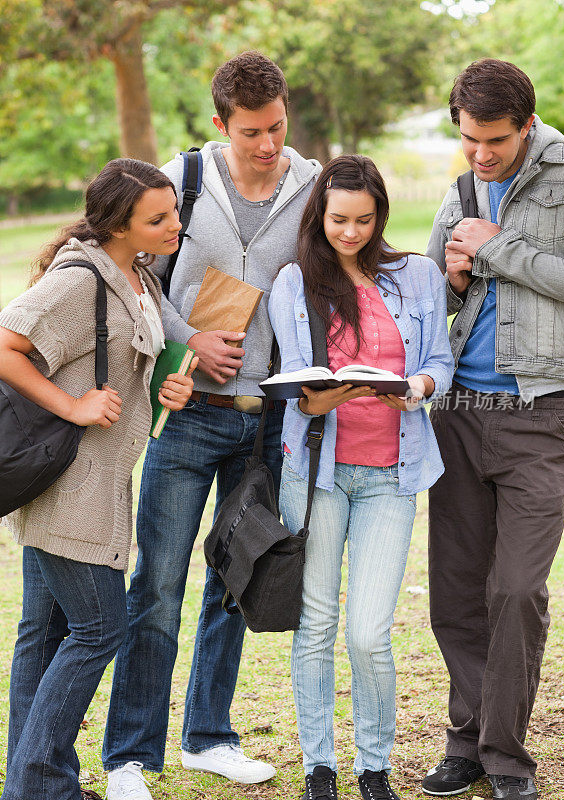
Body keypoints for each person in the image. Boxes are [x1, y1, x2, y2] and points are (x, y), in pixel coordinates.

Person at [102, 51, 321, 799]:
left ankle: (210, 737)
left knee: (236, 579)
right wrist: (188, 338)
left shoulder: (313, 185)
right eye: (252, 131)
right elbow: (136, 273)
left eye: (277, 128)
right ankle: (130, 753)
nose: (268, 145)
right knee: (157, 582)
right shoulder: (184, 181)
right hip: (191, 411)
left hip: (272, 419)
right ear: (219, 122)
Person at [0, 159, 196, 800]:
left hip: (97, 481)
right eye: (157, 218)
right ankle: (36, 781)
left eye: (172, 211)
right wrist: (74, 407)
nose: (173, 225)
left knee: (44, 633)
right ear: (118, 224)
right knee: (99, 628)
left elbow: (129, 361)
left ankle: (33, 781)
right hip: (71, 487)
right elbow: (6, 345)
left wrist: (167, 385)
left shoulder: (135, 274)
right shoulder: (80, 282)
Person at [268, 155, 454, 800]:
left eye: (364, 220)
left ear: (381, 217)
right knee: (315, 625)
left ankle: (374, 766)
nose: (350, 233)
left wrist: (420, 385)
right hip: (318, 471)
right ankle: (319, 764)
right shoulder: (296, 283)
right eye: (338, 220)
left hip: (392, 475)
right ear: (319, 216)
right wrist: (330, 394)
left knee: (369, 631)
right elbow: (298, 388)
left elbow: (439, 360)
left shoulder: (419, 276)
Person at [421, 59, 564, 800]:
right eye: (470, 140)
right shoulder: (461, 185)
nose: (481, 155)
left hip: (542, 415)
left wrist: (495, 249)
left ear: (528, 124)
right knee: (453, 592)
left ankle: (508, 757)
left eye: (496, 142)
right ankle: (467, 743)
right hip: (458, 416)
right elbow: (433, 291)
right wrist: (450, 280)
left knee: (515, 588)